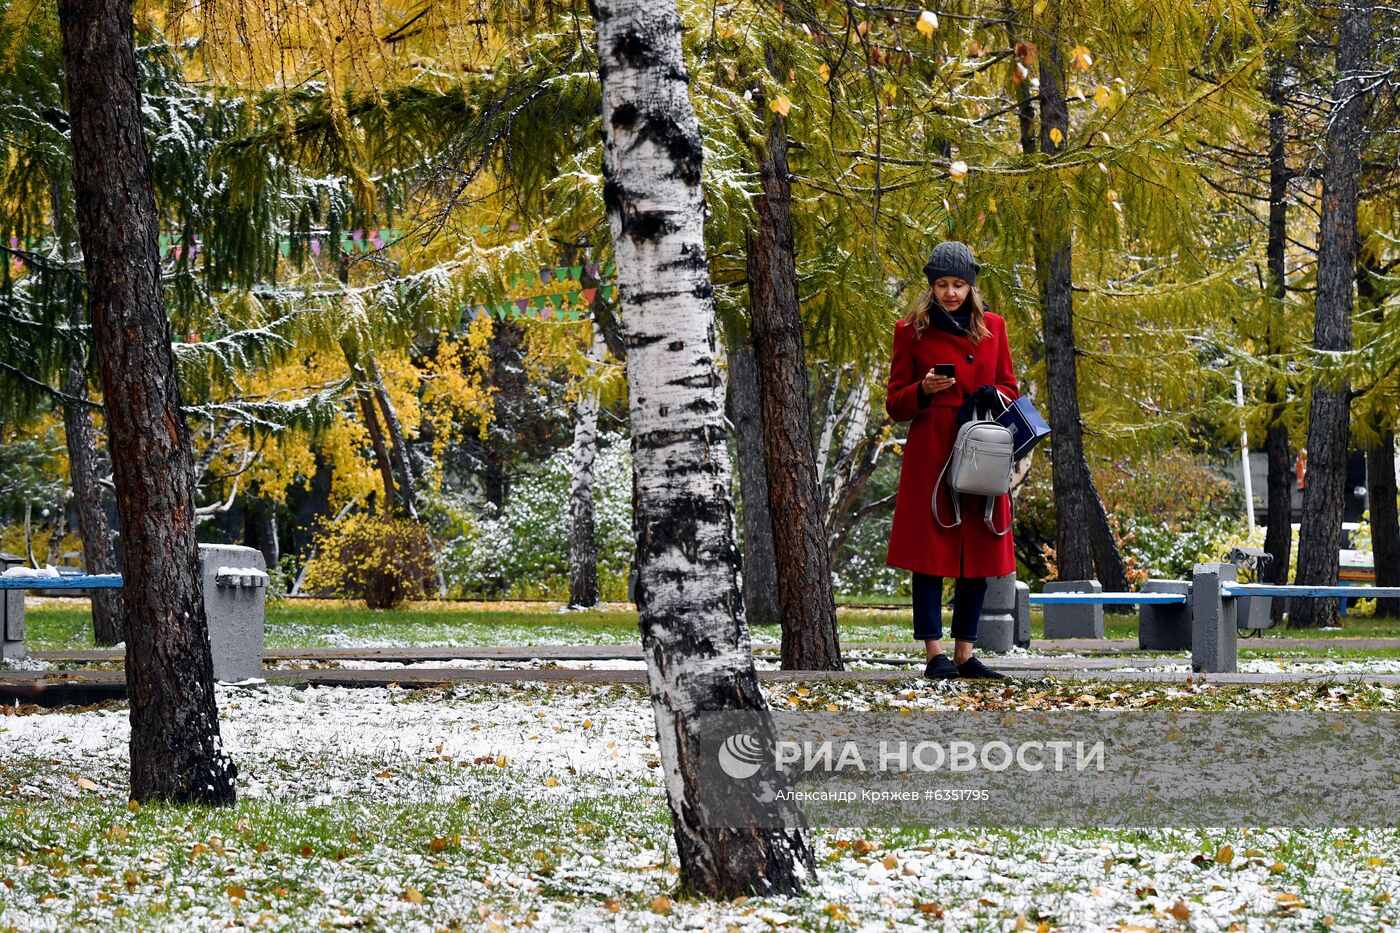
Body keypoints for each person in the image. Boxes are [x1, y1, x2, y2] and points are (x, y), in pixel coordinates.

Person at [884, 241, 1020, 680]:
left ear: (971, 286)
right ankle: (934, 654)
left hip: (981, 449)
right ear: (930, 286)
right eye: (942, 284)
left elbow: (1011, 390)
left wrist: (993, 396)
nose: (950, 293)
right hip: (932, 453)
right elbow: (895, 404)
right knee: (930, 556)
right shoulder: (910, 331)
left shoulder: (994, 328)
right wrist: (923, 390)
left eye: (958, 284)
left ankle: (965, 653)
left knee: (976, 554)